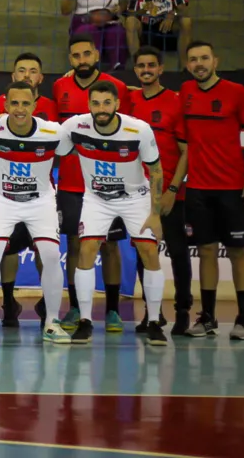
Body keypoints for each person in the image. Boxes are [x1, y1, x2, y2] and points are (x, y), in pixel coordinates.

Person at [61, 81, 167, 346]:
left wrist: (155, 213)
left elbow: (156, 170)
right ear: (88, 105)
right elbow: (47, 139)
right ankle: (85, 321)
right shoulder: (74, 126)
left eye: (107, 103)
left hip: (135, 198)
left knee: (149, 252)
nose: (101, 108)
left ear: (118, 104)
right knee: (86, 250)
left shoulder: (139, 129)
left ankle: (154, 322)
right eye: (95, 103)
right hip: (97, 199)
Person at [0, 81, 73, 344]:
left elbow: (70, 143)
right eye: (14, 103)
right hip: (1, 200)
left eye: (25, 103)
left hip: (40, 201)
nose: (19, 109)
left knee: (51, 254)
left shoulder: (53, 132)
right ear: (4, 106)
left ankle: (52, 321)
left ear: (35, 105)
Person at [52, 34, 130, 333]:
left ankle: (111, 310)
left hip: (107, 182)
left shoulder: (118, 87)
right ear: (70, 59)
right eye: (76, 56)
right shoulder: (61, 86)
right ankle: (74, 307)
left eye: (87, 54)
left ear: (96, 55)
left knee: (110, 246)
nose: (81, 60)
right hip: (71, 183)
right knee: (74, 244)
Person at [180, 41, 244, 340]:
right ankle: (207, 317)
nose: (199, 63)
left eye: (204, 58)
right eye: (194, 59)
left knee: (237, 252)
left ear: (215, 60)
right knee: (206, 252)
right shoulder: (185, 92)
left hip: (232, 187)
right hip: (197, 188)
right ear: (187, 64)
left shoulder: (236, 93)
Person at [126, 46, 191, 335]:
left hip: (170, 193)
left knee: (177, 252)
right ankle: (154, 314)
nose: (146, 70)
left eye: (151, 65)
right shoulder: (129, 100)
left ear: (161, 68)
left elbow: (186, 151)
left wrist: (172, 189)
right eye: (141, 66)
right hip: (139, 194)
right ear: (136, 70)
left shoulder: (176, 102)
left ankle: (183, 312)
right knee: (144, 253)